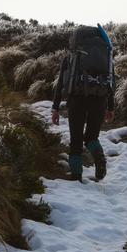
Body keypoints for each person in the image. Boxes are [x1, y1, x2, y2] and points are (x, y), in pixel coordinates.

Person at [50, 25, 116, 181]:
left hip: (77, 99)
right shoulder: (105, 56)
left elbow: (61, 84)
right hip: (100, 98)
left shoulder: (71, 57)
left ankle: (76, 175)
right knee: (91, 137)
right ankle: (99, 159)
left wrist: (55, 108)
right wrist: (111, 107)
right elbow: (111, 81)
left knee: (76, 138)